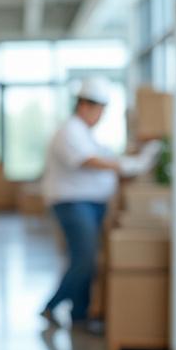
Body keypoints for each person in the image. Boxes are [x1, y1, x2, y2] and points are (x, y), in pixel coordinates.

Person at [40, 77, 134, 333]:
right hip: (73, 204)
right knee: (85, 259)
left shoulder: (86, 133)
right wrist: (123, 165)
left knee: (84, 259)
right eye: (99, 110)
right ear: (84, 105)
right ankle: (51, 305)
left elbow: (102, 156)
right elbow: (88, 161)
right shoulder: (69, 131)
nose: (101, 116)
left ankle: (80, 315)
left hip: (89, 205)